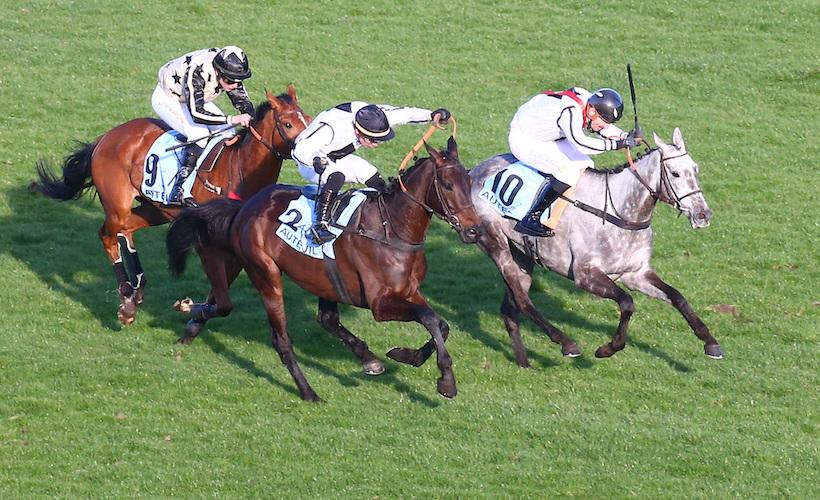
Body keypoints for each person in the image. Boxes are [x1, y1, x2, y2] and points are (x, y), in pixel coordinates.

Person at [292, 102, 451, 243]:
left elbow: (403, 113)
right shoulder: (331, 128)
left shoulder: (375, 115)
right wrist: (316, 161)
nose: (377, 144)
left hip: (337, 156)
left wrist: (430, 114)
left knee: (374, 177)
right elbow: (299, 149)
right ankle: (319, 226)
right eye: (372, 140)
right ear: (357, 130)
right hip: (310, 160)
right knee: (336, 176)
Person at [508, 87, 642, 237]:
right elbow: (581, 144)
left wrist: (625, 136)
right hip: (524, 139)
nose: (604, 126)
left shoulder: (589, 102)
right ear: (591, 111)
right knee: (568, 173)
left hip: (545, 134)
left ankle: (559, 215)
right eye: (604, 121)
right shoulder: (570, 111)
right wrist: (618, 144)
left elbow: (604, 128)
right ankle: (530, 219)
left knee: (585, 164)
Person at [151, 46, 255, 207]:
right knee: (198, 133)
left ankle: (216, 179)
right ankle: (179, 190)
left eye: (238, 80)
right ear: (218, 72)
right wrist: (233, 118)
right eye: (230, 81)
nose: (234, 85)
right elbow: (197, 114)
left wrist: (251, 117)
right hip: (168, 98)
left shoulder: (228, 72)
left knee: (228, 133)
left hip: (194, 99)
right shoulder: (198, 72)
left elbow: (242, 101)